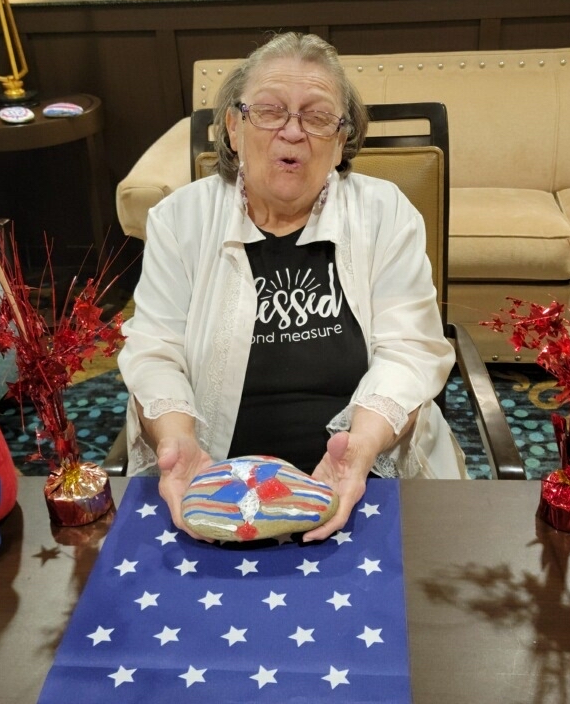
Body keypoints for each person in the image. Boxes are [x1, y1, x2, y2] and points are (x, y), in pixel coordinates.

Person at [118, 32, 465, 542]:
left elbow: (410, 351)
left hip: (361, 480)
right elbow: (155, 353)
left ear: (341, 140)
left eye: (318, 116)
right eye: (269, 111)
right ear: (234, 127)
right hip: (212, 485)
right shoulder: (179, 220)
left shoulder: (385, 213)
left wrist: (359, 450)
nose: (293, 132)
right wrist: (177, 441)